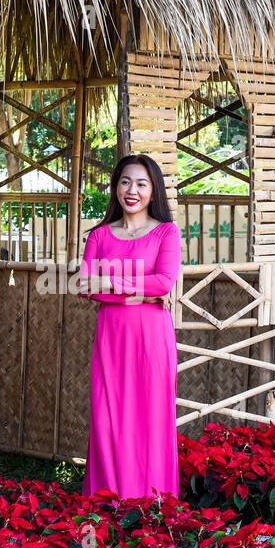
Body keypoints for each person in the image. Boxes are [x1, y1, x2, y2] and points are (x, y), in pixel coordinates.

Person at [78, 154, 182, 500]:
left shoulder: (167, 232)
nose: (131, 190)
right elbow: (84, 285)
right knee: (107, 417)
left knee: (150, 419)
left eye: (141, 183)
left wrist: (109, 281)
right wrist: (140, 291)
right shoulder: (99, 235)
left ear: (154, 190)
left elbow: (164, 282)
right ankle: (108, 500)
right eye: (125, 182)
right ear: (115, 187)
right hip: (112, 339)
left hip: (152, 341)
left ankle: (151, 501)